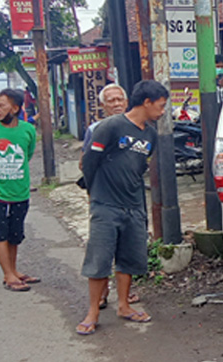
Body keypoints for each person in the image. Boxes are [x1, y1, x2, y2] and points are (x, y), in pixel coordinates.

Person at [77, 80, 168, 336]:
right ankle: (93, 312)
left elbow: (141, 167)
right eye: (160, 106)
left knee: (128, 258)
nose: (162, 112)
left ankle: (124, 305)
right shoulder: (110, 126)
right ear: (146, 102)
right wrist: (96, 194)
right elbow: (89, 163)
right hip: (105, 204)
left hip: (134, 205)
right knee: (99, 258)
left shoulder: (150, 134)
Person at [80, 83, 139, 309]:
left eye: (119, 99)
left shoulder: (137, 127)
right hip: (103, 198)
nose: (116, 104)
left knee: (127, 249)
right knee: (102, 248)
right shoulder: (95, 130)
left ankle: (126, 296)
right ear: (103, 106)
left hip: (129, 198)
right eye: (111, 101)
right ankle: (101, 295)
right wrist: (92, 192)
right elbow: (86, 163)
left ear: (126, 102)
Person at [0, 88, 38, 292]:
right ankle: (8, 275)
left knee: (14, 234)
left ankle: (14, 270)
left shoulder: (28, 130)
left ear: (15, 108)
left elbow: (27, 155)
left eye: (2, 105)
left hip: (19, 190)